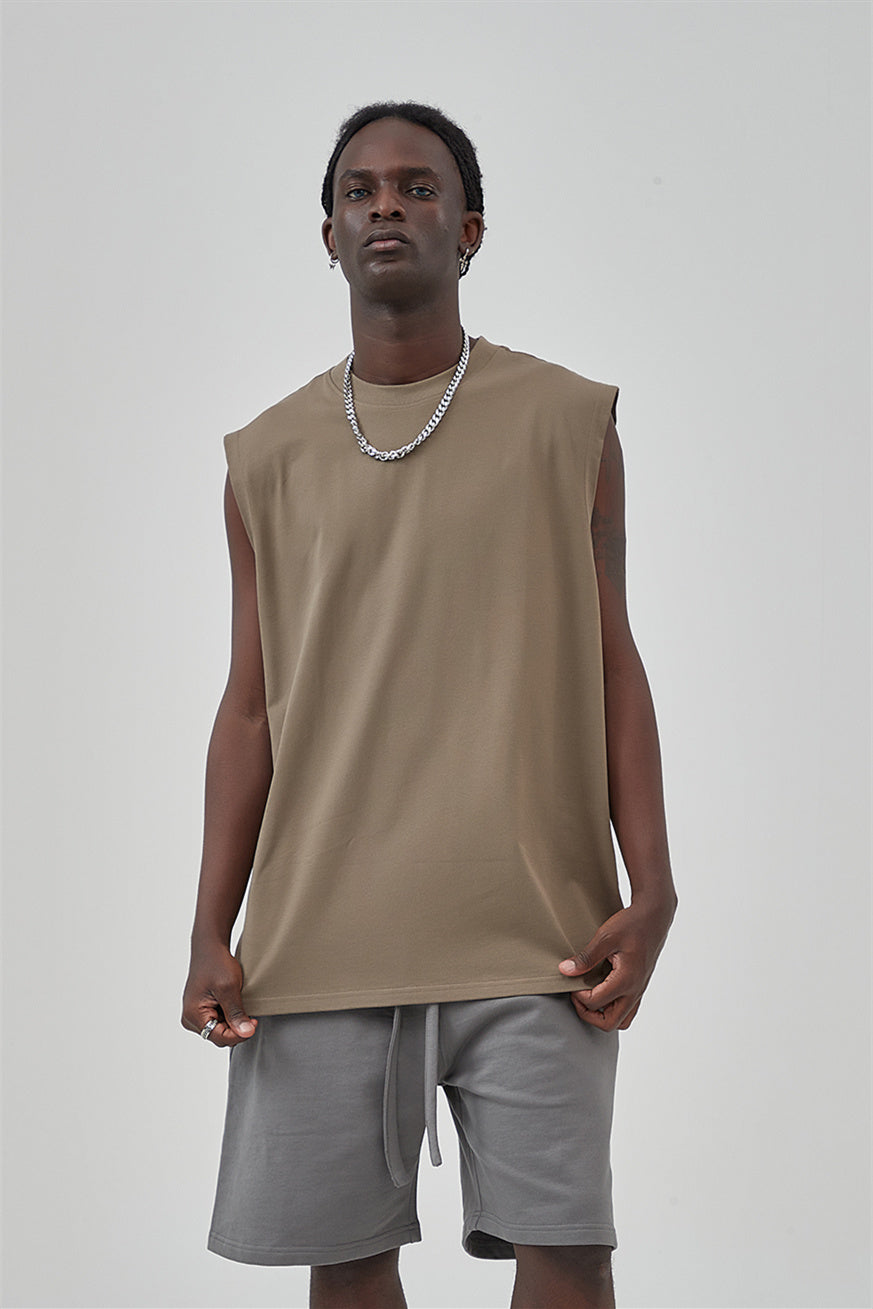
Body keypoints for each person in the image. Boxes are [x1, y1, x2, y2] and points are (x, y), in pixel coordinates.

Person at [181, 100, 677, 1309]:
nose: (386, 206)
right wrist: (209, 925)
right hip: (320, 936)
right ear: (330, 237)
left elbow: (613, 658)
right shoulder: (265, 458)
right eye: (359, 191)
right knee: (348, 1265)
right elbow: (249, 708)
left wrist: (653, 883)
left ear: (470, 229)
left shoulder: (569, 422)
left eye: (416, 186)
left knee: (570, 1251)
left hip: (539, 930)